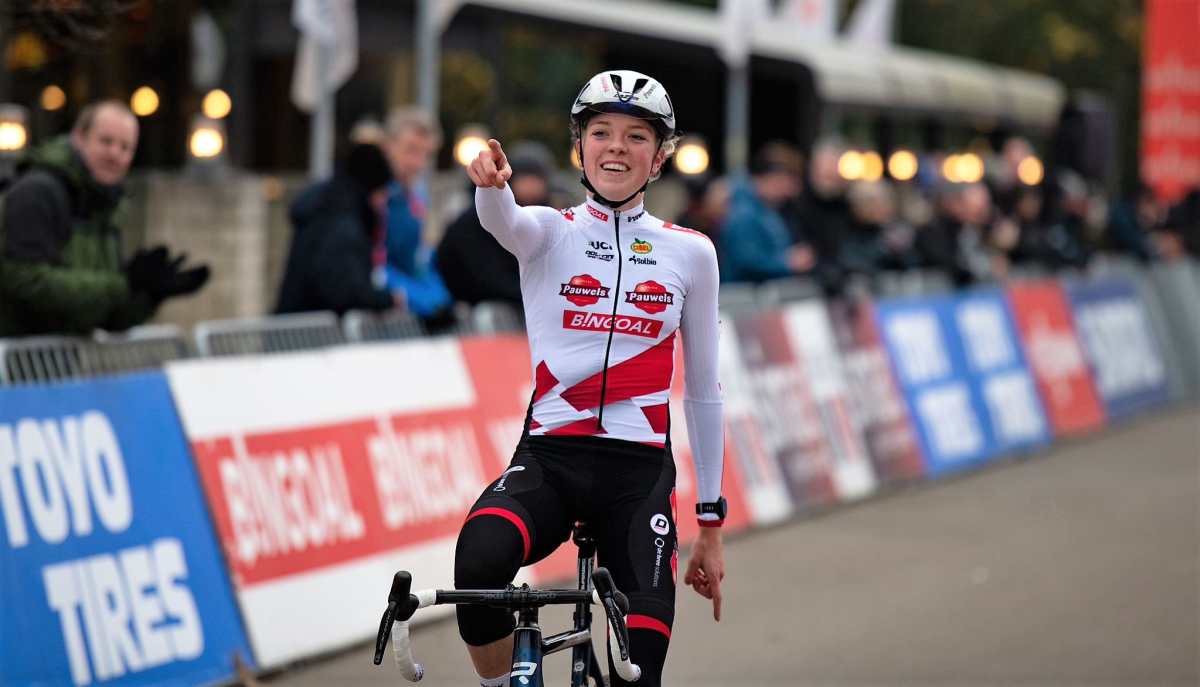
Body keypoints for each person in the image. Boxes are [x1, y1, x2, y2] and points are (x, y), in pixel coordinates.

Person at [458, 70, 727, 687]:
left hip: (636, 476)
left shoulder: (691, 252)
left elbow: (705, 389)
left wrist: (710, 527)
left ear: (658, 159)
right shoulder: (552, 232)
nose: (616, 146)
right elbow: (505, 222)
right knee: (477, 562)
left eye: (636, 137)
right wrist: (491, 187)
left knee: (639, 674)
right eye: (601, 132)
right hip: (551, 460)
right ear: (578, 148)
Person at [0, 100, 208, 337]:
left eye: (125, 148)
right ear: (79, 137)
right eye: (106, 141)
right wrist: (123, 285)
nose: (114, 154)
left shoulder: (107, 205)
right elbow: (24, 281)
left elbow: (107, 317)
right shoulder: (38, 192)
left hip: (55, 364)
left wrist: (148, 295)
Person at [275, 143, 400, 315]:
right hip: (312, 336)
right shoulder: (342, 225)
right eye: (381, 193)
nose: (383, 202)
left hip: (295, 330)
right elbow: (341, 290)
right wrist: (388, 300)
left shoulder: (326, 208)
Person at [435, 146, 554, 307]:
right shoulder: (476, 220)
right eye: (524, 180)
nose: (530, 188)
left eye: (536, 181)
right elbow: (487, 280)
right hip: (468, 311)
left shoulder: (546, 218)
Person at [379, 107, 453, 319]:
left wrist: (440, 299)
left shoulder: (419, 194)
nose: (417, 163)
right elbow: (376, 263)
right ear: (388, 146)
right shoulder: (375, 196)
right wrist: (422, 301)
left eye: (425, 154)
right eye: (410, 150)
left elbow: (422, 258)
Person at [719, 143, 814, 282]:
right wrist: (788, 262)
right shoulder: (743, 211)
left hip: (759, 295)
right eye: (788, 181)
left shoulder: (771, 208)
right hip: (742, 296)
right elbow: (744, 260)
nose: (791, 190)